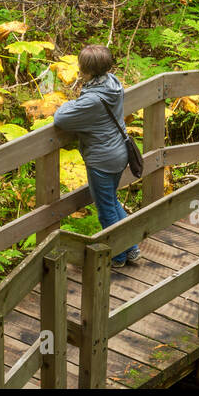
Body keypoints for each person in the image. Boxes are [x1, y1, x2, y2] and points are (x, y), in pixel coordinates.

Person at [52, 44, 142, 266]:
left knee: (105, 210)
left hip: (103, 159)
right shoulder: (112, 83)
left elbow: (60, 118)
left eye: (82, 66)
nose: (79, 69)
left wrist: (68, 103)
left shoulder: (92, 100)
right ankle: (131, 248)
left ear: (89, 70)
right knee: (111, 201)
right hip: (119, 151)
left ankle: (118, 256)